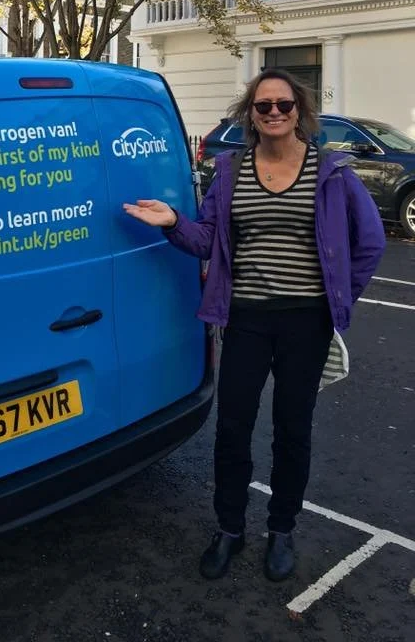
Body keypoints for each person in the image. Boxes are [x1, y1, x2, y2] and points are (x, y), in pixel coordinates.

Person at [123, 68, 386, 582]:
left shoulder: (330, 171)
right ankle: (229, 529)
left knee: (293, 430)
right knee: (233, 429)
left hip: (304, 324)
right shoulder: (230, 172)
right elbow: (208, 242)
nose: (273, 114)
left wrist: (336, 300)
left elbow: (370, 243)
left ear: (299, 112)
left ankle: (281, 530)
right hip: (244, 318)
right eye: (262, 106)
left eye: (282, 105)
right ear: (250, 114)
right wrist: (175, 222)